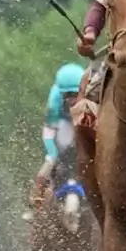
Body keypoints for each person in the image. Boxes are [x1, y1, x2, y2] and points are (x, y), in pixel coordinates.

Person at [31, 63, 85, 208]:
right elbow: (49, 131)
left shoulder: (91, 93)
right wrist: (52, 152)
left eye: (75, 94)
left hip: (82, 118)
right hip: (62, 123)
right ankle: (37, 198)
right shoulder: (54, 100)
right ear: (61, 93)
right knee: (52, 158)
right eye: (67, 95)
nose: (72, 100)